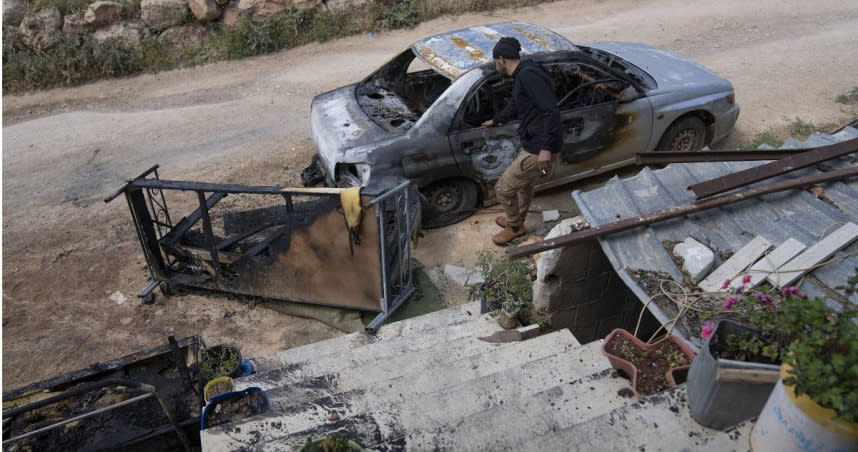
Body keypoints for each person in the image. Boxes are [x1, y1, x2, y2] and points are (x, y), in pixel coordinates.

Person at [482, 37, 562, 246]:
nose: (495, 65)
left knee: (503, 188)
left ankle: (516, 228)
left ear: (501, 59)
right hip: (533, 139)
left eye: (495, 61)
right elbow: (517, 104)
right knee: (524, 186)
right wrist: (496, 119)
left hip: (539, 145)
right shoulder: (523, 73)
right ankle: (515, 220)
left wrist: (545, 148)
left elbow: (551, 110)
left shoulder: (528, 76)